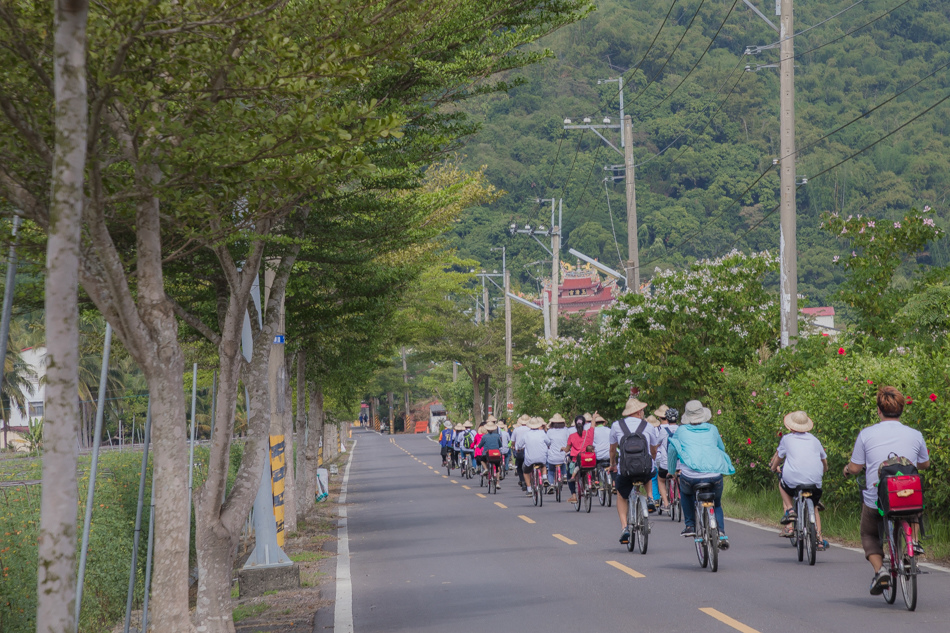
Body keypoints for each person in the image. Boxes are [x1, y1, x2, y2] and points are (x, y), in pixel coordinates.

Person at [843, 386, 929, 596]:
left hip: (879, 501)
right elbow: (925, 464)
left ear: (879, 411)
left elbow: (855, 468)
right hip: (908, 497)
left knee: (869, 533)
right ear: (901, 410)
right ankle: (913, 544)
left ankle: (880, 570)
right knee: (915, 511)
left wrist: (847, 470)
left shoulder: (866, 434)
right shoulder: (915, 434)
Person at [667, 399, 735, 549]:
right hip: (714, 475)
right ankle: (721, 533)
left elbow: (672, 451)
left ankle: (690, 525)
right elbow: (721, 448)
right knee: (716, 503)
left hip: (690, 477)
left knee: (685, 493)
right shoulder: (713, 429)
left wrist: (672, 472)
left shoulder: (681, 431)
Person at [769, 411, 829, 549]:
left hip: (793, 480)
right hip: (815, 481)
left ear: (790, 426)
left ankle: (790, 510)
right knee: (814, 507)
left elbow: (778, 458)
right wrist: (824, 470)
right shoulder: (814, 440)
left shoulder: (787, 439)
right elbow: (823, 460)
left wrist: (774, 467)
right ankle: (819, 539)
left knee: (782, 484)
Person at [609, 396, 660, 544]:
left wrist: (613, 464)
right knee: (649, 471)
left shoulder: (617, 425)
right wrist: (652, 460)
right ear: (638, 412)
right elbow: (654, 449)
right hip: (644, 469)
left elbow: (612, 449)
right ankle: (650, 498)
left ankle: (625, 527)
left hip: (625, 470)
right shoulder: (648, 426)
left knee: (621, 495)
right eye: (642, 410)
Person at [562, 415, 594, 503]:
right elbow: (592, 425)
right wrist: (594, 417)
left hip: (577, 461)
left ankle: (574, 495)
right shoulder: (589, 433)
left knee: (569, 475)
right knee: (590, 470)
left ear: (575, 425)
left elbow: (567, 450)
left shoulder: (572, 436)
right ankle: (592, 482)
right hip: (588, 460)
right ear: (584, 424)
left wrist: (563, 448)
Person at [516, 417, 551, 497]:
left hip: (530, 459)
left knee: (525, 471)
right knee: (543, 465)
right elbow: (548, 442)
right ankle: (545, 477)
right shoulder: (542, 433)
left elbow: (519, 445)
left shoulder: (526, 434)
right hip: (541, 458)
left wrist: (518, 449)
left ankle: (529, 489)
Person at [655, 406, 679, 512]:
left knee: (660, 480)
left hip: (666, 464)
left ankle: (665, 502)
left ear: (667, 419)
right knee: (679, 477)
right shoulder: (681, 430)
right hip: (679, 464)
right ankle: (679, 497)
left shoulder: (663, 431)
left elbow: (656, 444)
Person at [545, 413, 571, 492]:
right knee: (563, 462)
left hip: (552, 457)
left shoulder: (549, 432)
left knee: (551, 470)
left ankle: (551, 484)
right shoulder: (566, 430)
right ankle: (565, 475)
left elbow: (548, 443)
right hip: (563, 455)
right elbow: (569, 441)